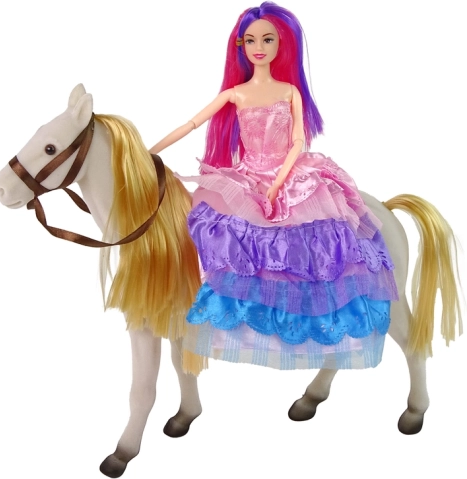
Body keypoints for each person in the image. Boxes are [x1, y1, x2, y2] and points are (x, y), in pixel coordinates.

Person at [149, 2, 398, 370]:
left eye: (267, 39)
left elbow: (297, 141)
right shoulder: (235, 93)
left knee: (308, 245)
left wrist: (279, 181)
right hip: (246, 175)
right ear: (241, 46)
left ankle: (305, 321)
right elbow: (191, 124)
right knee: (219, 229)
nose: (258, 47)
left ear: (281, 44)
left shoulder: (289, 92)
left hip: (288, 175)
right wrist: (148, 153)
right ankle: (233, 311)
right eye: (250, 40)